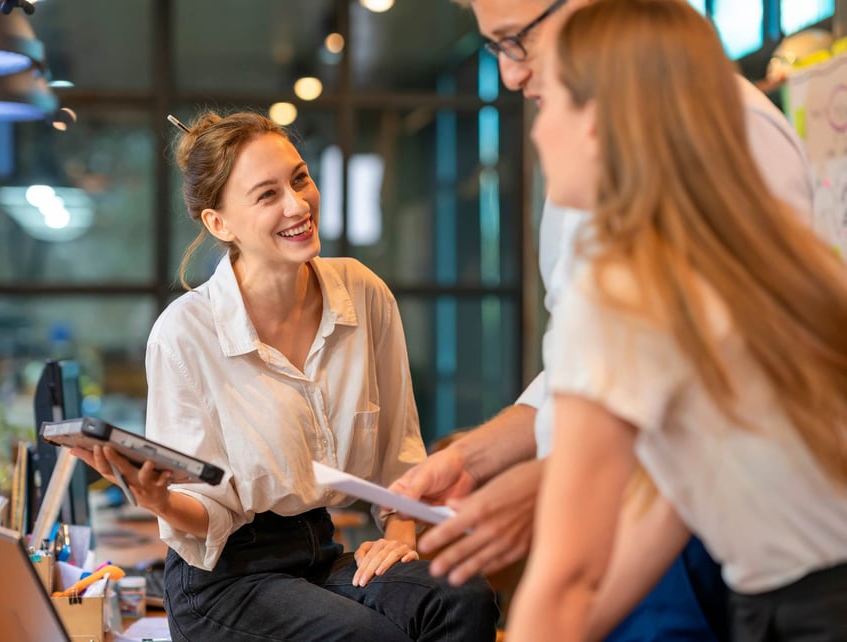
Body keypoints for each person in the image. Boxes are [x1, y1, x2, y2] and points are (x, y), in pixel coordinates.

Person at [390, 0, 816, 638]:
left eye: (517, 42)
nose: (513, 83)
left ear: (605, 117)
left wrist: (556, 493)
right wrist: (480, 460)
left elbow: (582, 562)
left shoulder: (624, 275)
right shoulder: (624, 233)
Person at [73, 110, 498, 642]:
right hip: (222, 581)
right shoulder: (185, 333)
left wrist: (402, 534)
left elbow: (398, 453)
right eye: (266, 194)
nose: (298, 205)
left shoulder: (363, 295)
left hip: (318, 553)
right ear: (218, 224)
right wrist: (157, 500)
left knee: (462, 598)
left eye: (299, 179)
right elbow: (206, 511)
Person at [505, 1, 847, 640]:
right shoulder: (758, 253)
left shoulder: (621, 284)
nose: (535, 132)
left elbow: (565, 576)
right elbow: (674, 497)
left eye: (550, 104)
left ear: (600, 123)